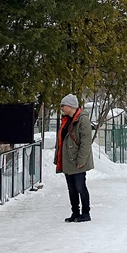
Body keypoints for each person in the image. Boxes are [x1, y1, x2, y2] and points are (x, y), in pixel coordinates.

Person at [56, 94, 93, 222]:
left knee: (80, 187)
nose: (61, 108)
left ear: (70, 106)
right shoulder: (66, 120)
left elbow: (86, 142)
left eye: (63, 105)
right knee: (71, 188)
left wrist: (81, 160)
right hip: (68, 160)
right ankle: (75, 212)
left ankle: (86, 213)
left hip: (77, 160)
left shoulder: (83, 120)